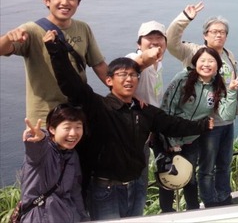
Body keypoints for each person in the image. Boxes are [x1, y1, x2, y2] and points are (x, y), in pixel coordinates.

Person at [43, 30, 215, 221]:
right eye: (122, 75)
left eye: (134, 75)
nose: (129, 79)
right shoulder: (99, 108)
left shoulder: (143, 111)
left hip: (136, 186)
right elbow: (73, 86)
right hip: (105, 190)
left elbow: (172, 125)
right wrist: (55, 51)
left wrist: (203, 125)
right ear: (109, 81)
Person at [0, 0, 108, 124]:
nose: (65, 2)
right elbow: (2, 49)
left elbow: (99, 64)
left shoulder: (83, 28)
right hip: (44, 118)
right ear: (47, 1)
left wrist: (120, 93)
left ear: (78, 2)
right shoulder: (32, 30)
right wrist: (8, 38)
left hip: (77, 114)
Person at [166, 2, 238, 207]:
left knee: (224, 165)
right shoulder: (194, 52)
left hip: (226, 121)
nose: (219, 35)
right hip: (207, 124)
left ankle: (224, 199)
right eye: (214, 31)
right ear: (205, 34)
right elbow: (171, 42)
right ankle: (210, 205)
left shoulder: (228, 55)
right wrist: (184, 19)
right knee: (206, 169)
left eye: (223, 32)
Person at [159, 47, 236, 212]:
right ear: (195, 63)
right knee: (168, 177)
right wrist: (172, 142)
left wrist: (231, 93)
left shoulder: (217, 85)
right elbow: (167, 109)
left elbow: (227, 115)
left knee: (189, 177)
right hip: (170, 137)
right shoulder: (183, 79)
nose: (206, 65)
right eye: (202, 61)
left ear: (218, 65)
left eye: (211, 61)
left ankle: (192, 212)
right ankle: (166, 213)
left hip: (192, 138)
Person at [18, 105, 89, 223]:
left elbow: (75, 192)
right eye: (67, 128)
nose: (73, 133)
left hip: (68, 217)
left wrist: (83, 217)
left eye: (78, 127)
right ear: (52, 129)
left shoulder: (72, 155)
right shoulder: (43, 152)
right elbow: (35, 150)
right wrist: (38, 140)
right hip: (40, 218)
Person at [126, 21, 168, 214]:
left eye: (159, 38)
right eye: (149, 39)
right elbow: (126, 68)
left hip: (146, 132)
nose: (154, 42)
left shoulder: (158, 65)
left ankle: (136, 217)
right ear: (138, 44)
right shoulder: (134, 59)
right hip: (130, 133)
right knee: (130, 182)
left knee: (140, 182)